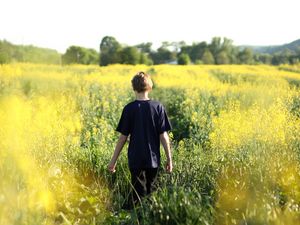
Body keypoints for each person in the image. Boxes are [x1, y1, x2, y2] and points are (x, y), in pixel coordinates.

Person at [108, 71, 173, 207]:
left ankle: (136, 219)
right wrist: (169, 159)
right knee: (152, 196)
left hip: (135, 159)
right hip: (153, 159)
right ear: (150, 86)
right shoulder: (158, 107)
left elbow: (123, 138)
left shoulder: (129, 109)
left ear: (134, 87)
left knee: (137, 195)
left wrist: (113, 161)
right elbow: (164, 136)